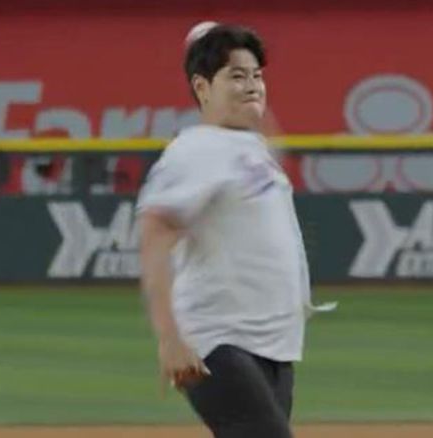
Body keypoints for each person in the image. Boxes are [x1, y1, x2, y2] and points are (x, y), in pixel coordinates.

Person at [137, 23, 332, 438]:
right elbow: (154, 233)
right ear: (202, 87)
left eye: (257, 75)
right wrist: (170, 339)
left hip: (273, 344)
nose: (252, 85)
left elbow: (273, 137)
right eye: (237, 76)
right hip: (217, 342)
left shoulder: (250, 146)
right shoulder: (196, 149)